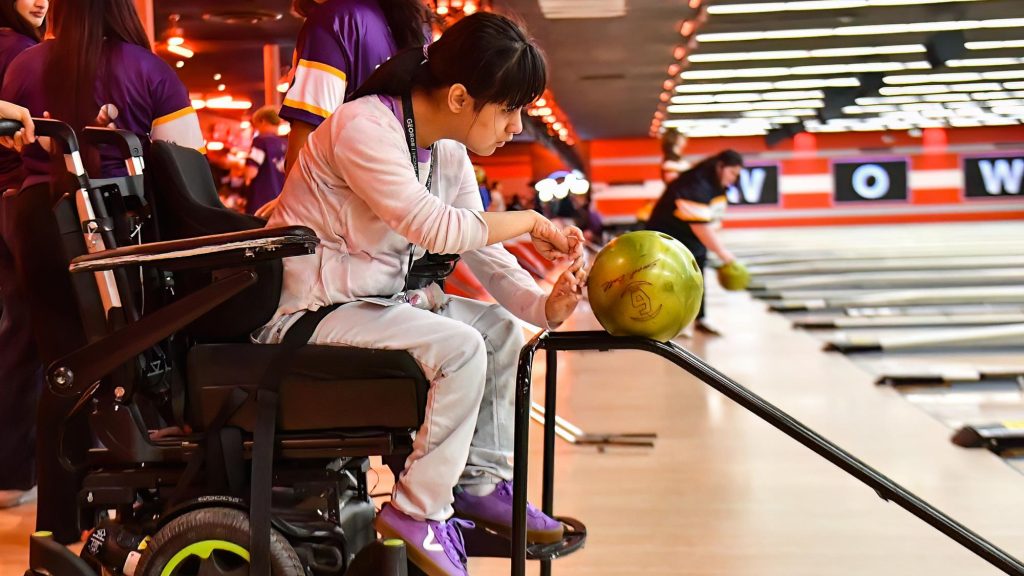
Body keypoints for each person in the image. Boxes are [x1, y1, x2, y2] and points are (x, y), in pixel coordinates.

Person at [258, 13, 584, 575]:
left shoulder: (447, 150)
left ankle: (480, 484)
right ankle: (416, 511)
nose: (516, 127)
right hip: (311, 310)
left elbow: (484, 251)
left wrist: (541, 306)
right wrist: (531, 221)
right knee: (461, 348)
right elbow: (436, 228)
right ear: (460, 97)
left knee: (499, 331)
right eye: (509, 109)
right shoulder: (363, 126)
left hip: (375, 304)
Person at [0, 0, 204, 543]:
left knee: (63, 370)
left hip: (40, 224)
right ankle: (142, 511)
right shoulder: (149, 70)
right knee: (133, 365)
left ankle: (60, 526)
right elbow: (189, 173)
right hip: (122, 230)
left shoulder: (24, 67)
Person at [0, 0, 46, 511]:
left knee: (15, 329)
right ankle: (15, 470)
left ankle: (11, 470)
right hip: (19, 200)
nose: (41, 1)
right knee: (30, 330)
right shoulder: (22, 52)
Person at [645, 149, 742, 337]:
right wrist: (724, 254)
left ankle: (700, 319)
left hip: (688, 236)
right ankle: (673, 322)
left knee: (697, 275)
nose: (733, 178)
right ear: (720, 166)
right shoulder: (696, 182)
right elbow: (700, 226)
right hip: (668, 235)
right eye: (732, 173)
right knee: (674, 278)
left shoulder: (715, 183)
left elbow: (710, 220)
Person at [243, 106, 287, 215]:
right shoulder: (286, 143)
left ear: (262, 121)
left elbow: (251, 172)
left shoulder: (260, 142)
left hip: (261, 201)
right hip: (281, 202)